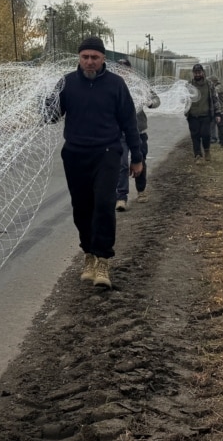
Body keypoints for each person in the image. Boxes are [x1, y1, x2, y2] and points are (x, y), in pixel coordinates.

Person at [45, 36, 143, 289]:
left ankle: (103, 260)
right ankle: (88, 254)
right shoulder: (66, 83)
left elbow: (129, 122)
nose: (90, 62)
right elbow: (51, 117)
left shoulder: (116, 84)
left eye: (95, 57)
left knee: (104, 204)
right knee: (81, 208)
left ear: (103, 60)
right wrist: (45, 103)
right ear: (79, 58)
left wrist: (137, 157)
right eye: (85, 57)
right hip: (75, 154)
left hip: (107, 153)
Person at [114, 58, 160, 209]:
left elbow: (156, 99)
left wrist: (150, 102)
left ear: (131, 70)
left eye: (125, 69)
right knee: (121, 163)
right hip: (120, 132)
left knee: (140, 160)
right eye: (120, 69)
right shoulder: (113, 85)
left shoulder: (140, 85)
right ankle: (121, 197)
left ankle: (141, 190)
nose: (123, 72)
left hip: (139, 130)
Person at [185, 63, 221, 162]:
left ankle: (207, 150)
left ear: (202, 72)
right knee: (195, 136)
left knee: (206, 134)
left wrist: (217, 113)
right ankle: (198, 155)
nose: (197, 75)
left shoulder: (209, 84)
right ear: (193, 73)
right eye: (195, 73)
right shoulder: (189, 85)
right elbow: (184, 99)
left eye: (199, 72)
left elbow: (215, 99)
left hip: (205, 115)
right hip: (192, 115)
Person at [209, 76, 223, 147]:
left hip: (221, 111)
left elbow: (213, 92)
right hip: (215, 110)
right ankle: (214, 139)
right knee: (212, 125)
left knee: (221, 127)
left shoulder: (219, 87)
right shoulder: (216, 87)